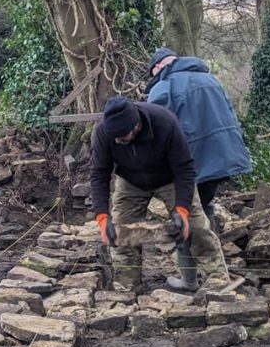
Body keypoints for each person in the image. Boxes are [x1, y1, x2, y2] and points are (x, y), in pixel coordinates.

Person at [90, 96, 228, 292]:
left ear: (136, 126)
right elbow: (99, 174)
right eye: (114, 137)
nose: (117, 141)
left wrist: (181, 209)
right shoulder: (104, 132)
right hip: (130, 181)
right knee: (119, 232)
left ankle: (218, 281)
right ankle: (127, 287)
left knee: (197, 227)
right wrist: (103, 217)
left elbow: (184, 169)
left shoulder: (165, 122)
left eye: (122, 137)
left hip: (169, 177)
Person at [146, 47, 252, 231]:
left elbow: (153, 127)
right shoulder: (210, 79)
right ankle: (212, 249)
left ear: (159, 66)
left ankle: (188, 256)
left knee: (185, 208)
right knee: (204, 201)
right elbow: (230, 114)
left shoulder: (164, 85)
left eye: (153, 72)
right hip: (223, 152)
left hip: (191, 156)